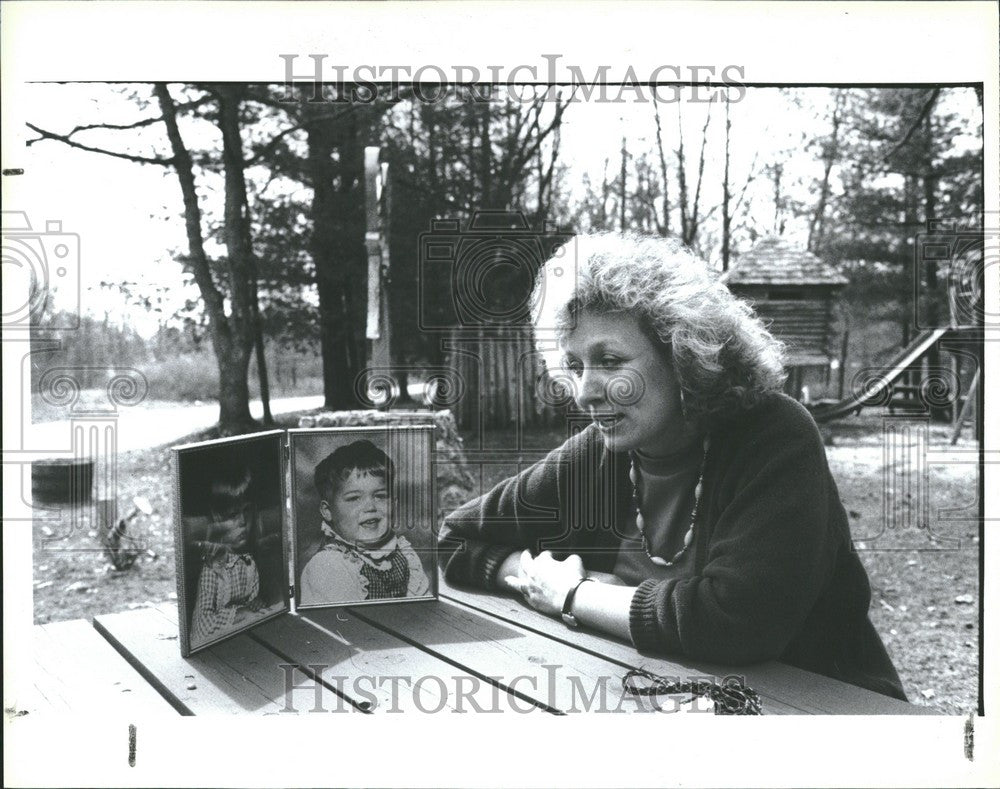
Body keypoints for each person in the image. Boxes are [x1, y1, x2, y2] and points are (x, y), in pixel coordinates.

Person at [439, 233, 906, 701]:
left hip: (828, 716)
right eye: (575, 365)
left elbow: (739, 622)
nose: (584, 391)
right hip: (664, 708)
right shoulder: (599, 455)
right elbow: (456, 538)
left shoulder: (774, 434)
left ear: (682, 354)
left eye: (609, 361)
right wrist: (536, 576)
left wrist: (575, 595)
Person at [298, 440, 430, 605]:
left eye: (380, 496)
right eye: (354, 498)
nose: (370, 507)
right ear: (328, 511)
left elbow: (422, 607)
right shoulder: (330, 566)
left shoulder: (404, 554)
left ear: (394, 504)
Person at [189, 463, 274, 645]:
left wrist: (255, 602)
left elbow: (251, 602)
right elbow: (202, 626)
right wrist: (238, 613)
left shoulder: (249, 563)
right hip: (210, 644)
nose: (243, 522)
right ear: (217, 519)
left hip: (239, 635)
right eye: (233, 514)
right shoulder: (213, 569)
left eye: (246, 511)